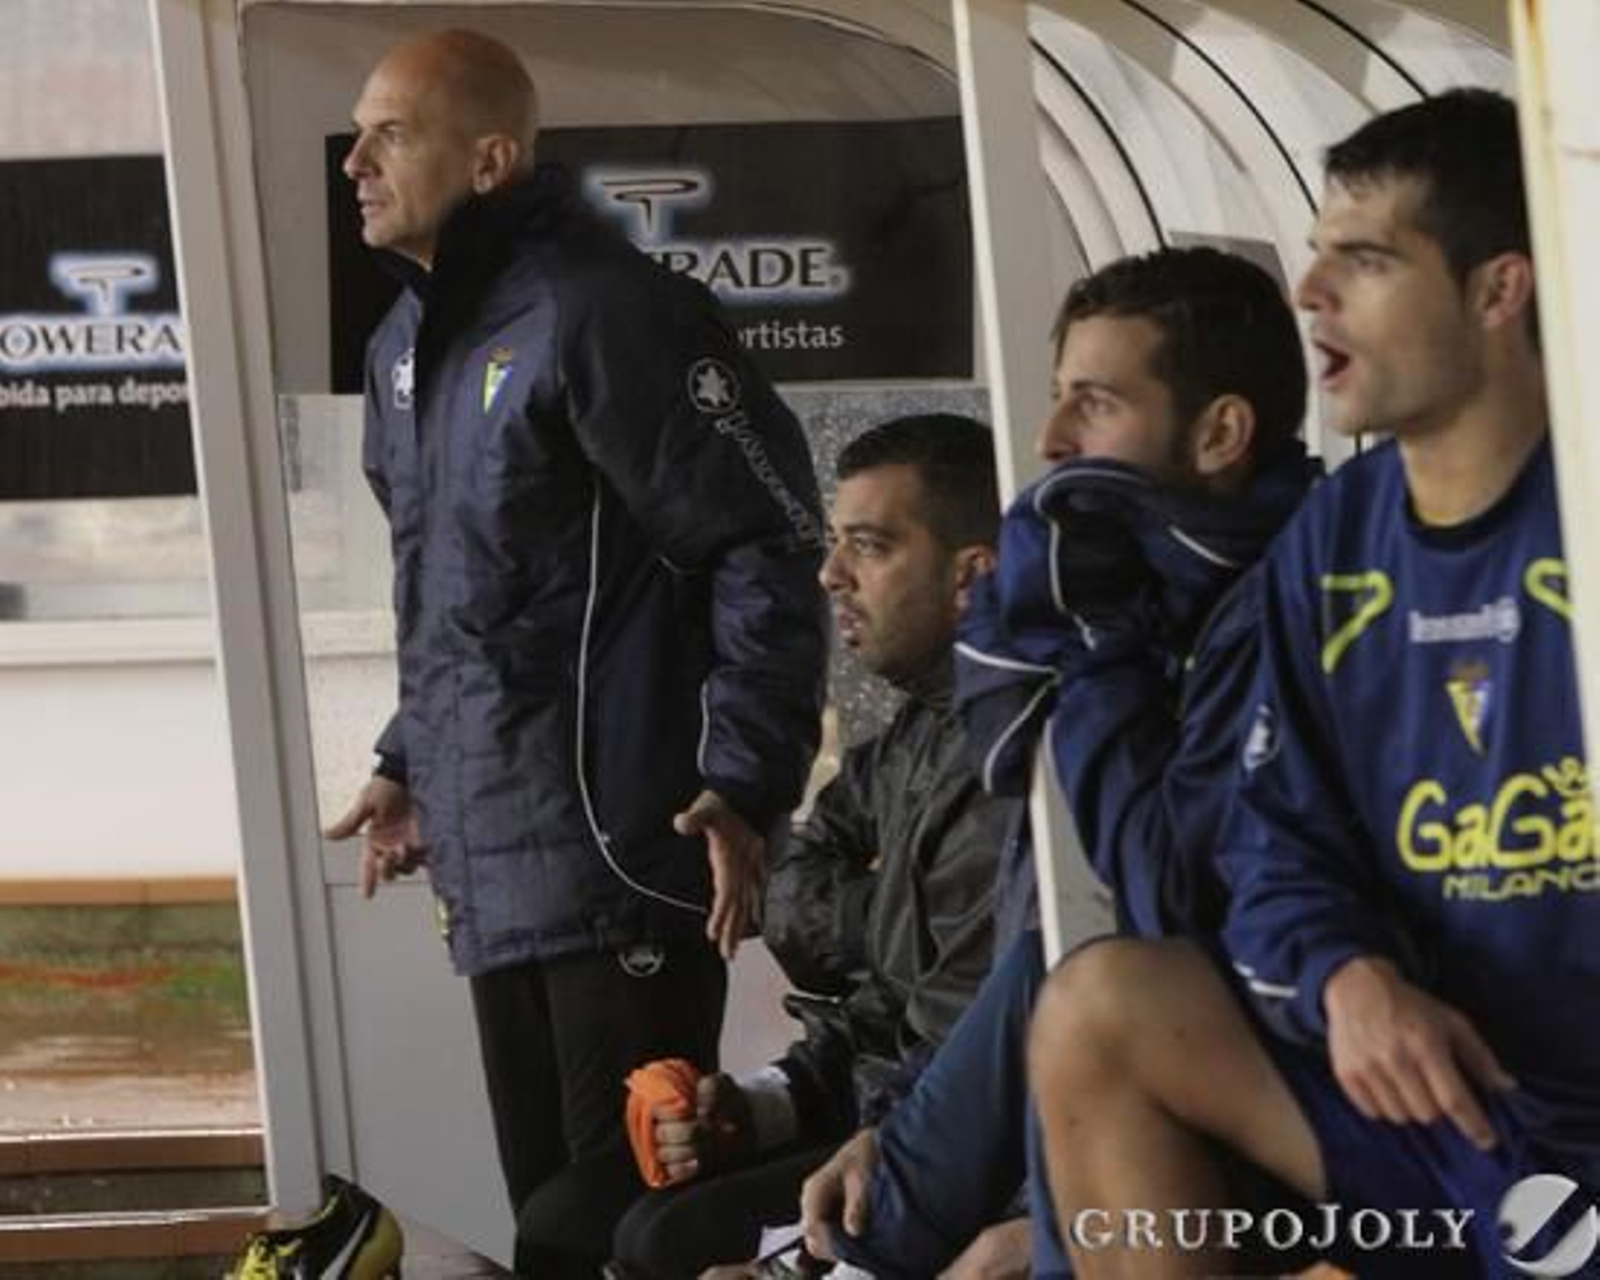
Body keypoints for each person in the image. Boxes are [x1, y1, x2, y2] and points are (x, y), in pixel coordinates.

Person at [1030, 89, 1596, 1279]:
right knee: (1101, 1008)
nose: (1310, 292)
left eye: (1366, 259)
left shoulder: (1583, 515)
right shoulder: (1334, 539)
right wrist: (1344, 973)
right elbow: (1271, 836)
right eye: (1316, 254)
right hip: (1451, 1116)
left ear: (1499, 290)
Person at [322, 27, 829, 1263]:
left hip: (623, 857)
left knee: (600, 1226)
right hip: (497, 865)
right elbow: (464, 596)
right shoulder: (403, 351)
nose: (355, 161)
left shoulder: (605, 310)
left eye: (390, 132)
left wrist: (747, 775)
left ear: (491, 159)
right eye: (357, 133)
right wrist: (410, 760)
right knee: (552, 1216)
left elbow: (764, 542)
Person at [797, 246, 1318, 1278]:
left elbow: (1151, 902)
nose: (1048, 441)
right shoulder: (1126, 608)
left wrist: (1093, 650)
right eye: (1054, 399)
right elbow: (1036, 939)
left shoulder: (1259, 615)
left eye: (1094, 403)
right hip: (1075, 1128)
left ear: (1219, 431)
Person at [515, 413, 1018, 1277]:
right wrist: (751, 1108)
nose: (829, 576)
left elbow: (951, 1058)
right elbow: (797, 893)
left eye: (868, 546)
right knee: (564, 1214)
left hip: (954, 1147)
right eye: (832, 544)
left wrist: (873, 915)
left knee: (654, 1241)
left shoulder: (1011, 758)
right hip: (872, 1104)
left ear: (971, 576)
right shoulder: (912, 735)